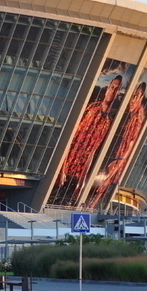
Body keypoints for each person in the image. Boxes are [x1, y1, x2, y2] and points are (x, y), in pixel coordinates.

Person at [53, 75, 123, 205]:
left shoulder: (107, 121)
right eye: (112, 87)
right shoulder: (91, 110)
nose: (113, 91)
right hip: (68, 167)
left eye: (116, 88)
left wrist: (82, 179)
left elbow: (92, 152)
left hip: (79, 172)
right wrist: (62, 171)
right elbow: (71, 140)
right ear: (108, 88)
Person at [88, 82, 146, 209]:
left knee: (102, 190)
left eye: (136, 96)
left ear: (141, 97)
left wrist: (112, 172)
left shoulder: (137, 119)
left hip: (115, 164)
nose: (133, 100)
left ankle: (92, 208)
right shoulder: (127, 116)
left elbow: (129, 148)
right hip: (110, 159)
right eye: (132, 95)